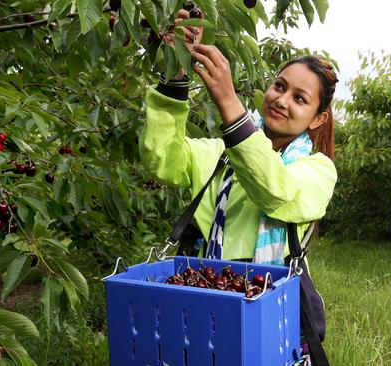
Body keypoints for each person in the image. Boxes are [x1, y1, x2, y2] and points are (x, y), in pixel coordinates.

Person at [139, 9, 338, 364]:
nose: (281, 100)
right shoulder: (220, 154)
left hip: (270, 317)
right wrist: (176, 75)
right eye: (279, 86)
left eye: (300, 98)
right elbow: (162, 160)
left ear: (317, 118)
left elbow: (276, 192)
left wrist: (230, 105)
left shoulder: (317, 170)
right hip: (204, 306)